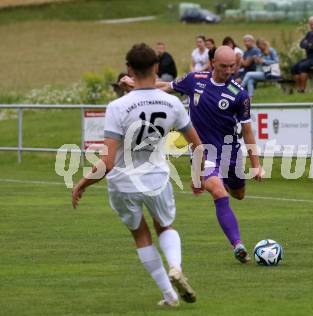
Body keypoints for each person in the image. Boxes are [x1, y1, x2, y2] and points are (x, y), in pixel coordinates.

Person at [72, 43, 204, 307]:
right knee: (164, 226)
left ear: (129, 69)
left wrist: (83, 183)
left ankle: (169, 295)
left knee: (141, 234)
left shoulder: (117, 106)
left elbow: (107, 162)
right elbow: (197, 146)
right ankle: (175, 266)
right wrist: (197, 176)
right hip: (156, 177)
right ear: (156, 67)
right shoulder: (172, 103)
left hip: (123, 182)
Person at [157, 46, 264, 264]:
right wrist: (138, 87)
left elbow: (248, 131)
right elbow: (165, 87)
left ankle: (207, 180)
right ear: (213, 62)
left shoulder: (239, 94)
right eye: (224, 66)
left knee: (238, 194)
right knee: (219, 193)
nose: (229, 71)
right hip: (204, 154)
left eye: (233, 66)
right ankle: (238, 245)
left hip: (231, 154)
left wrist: (256, 165)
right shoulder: (194, 79)